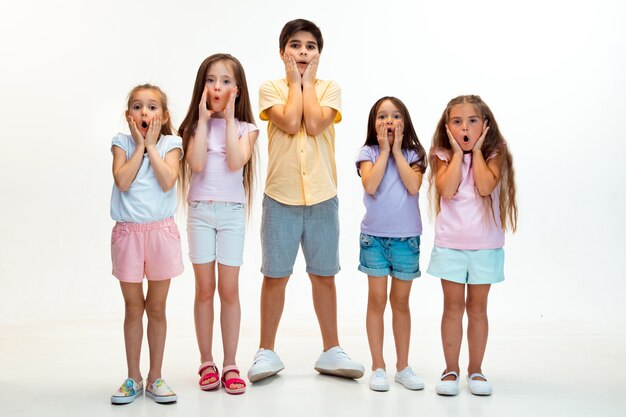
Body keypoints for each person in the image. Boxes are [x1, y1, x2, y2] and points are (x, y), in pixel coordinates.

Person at [247, 18, 364, 383]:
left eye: (310, 46)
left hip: (321, 198)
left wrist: (309, 83)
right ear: (282, 52)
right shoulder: (270, 88)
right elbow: (292, 119)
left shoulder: (329, 88)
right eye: (295, 45)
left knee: (324, 275)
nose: (303, 52)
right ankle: (266, 350)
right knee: (275, 276)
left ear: (319, 53)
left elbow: (314, 124)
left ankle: (331, 349)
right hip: (279, 197)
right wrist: (296, 84)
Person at [427, 95, 517, 396]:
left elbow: (485, 186)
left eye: (472, 121)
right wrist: (456, 152)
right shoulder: (441, 154)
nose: (464, 127)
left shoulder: (494, 153)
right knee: (452, 307)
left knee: (478, 308)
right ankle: (450, 369)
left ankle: (475, 370)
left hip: (485, 246)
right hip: (451, 245)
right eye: (457, 121)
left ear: (485, 126)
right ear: (447, 127)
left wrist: (477, 151)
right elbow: (448, 189)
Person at [178, 54, 258, 395]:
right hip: (199, 212)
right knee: (204, 289)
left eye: (226, 81)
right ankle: (207, 360)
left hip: (230, 215)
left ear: (236, 90)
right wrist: (201, 119)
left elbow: (236, 160)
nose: (218, 87)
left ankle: (230, 363)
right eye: (212, 80)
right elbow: (195, 165)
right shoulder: (192, 128)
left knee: (229, 289)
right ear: (202, 86)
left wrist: (226, 120)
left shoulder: (246, 129)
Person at [109, 84, 183, 404]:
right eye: (138, 107)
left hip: (161, 234)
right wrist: (140, 145)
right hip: (128, 235)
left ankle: (155, 377)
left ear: (163, 116)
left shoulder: (171, 144)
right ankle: (133, 377)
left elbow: (168, 180)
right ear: (129, 116)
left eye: (152, 107)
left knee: (156, 307)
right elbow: (122, 181)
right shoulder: (121, 143)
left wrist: (152, 146)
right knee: (133, 307)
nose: (145, 112)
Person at [356, 97, 427, 391]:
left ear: (404, 123)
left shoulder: (414, 154)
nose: (389, 121)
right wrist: (384, 151)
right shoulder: (368, 152)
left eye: (395, 116)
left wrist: (397, 151)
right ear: (374, 124)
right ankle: (378, 366)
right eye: (382, 116)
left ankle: (403, 366)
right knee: (376, 301)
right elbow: (370, 185)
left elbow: (413, 185)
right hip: (374, 239)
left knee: (400, 303)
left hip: (406, 240)